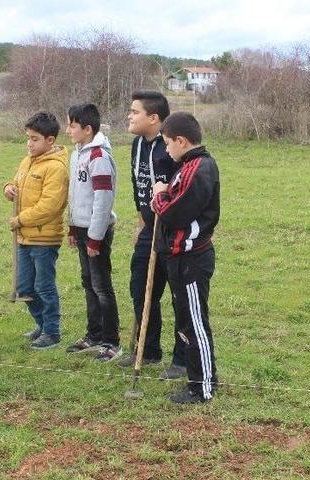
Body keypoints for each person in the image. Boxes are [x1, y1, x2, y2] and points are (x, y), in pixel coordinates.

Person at [117, 91, 187, 378]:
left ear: (154, 118)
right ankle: (149, 350)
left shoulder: (170, 146)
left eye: (135, 112)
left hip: (172, 229)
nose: (129, 116)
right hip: (149, 227)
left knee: (177, 294)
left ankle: (182, 359)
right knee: (141, 288)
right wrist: (140, 224)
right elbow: (139, 188)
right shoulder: (137, 145)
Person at [151, 112, 220, 404]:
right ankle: (195, 379)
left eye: (168, 144)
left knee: (195, 323)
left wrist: (159, 195)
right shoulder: (186, 166)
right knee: (184, 322)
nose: (166, 150)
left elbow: (174, 213)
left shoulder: (199, 169)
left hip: (192, 259)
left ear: (181, 141)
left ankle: (203, 386)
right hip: (178, 257)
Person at [3, 112, 70, 350]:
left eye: (35, 139)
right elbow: (16, 182)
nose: (29, 144)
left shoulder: (56, 168)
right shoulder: (27, 161)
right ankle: (41, 325)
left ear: (50, 140)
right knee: (25, 287)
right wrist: (8, 188)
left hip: (44, 238)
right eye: (28, 138)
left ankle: (52, 332)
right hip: (24, 237)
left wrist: (20, 220)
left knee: (44, 286)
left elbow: (49, 207)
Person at [64, 104, 122, 362]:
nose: (68, 130)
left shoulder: (98, 156)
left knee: (101, 286)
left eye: (72, 126)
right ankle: (94, 334)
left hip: (97, 233)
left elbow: (102, 199)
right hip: (82, 229)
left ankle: (112, 341)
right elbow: (76, 195)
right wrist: (73, 228)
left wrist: (95, 237)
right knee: (88, 282)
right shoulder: (77, 153)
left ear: (88, 129)